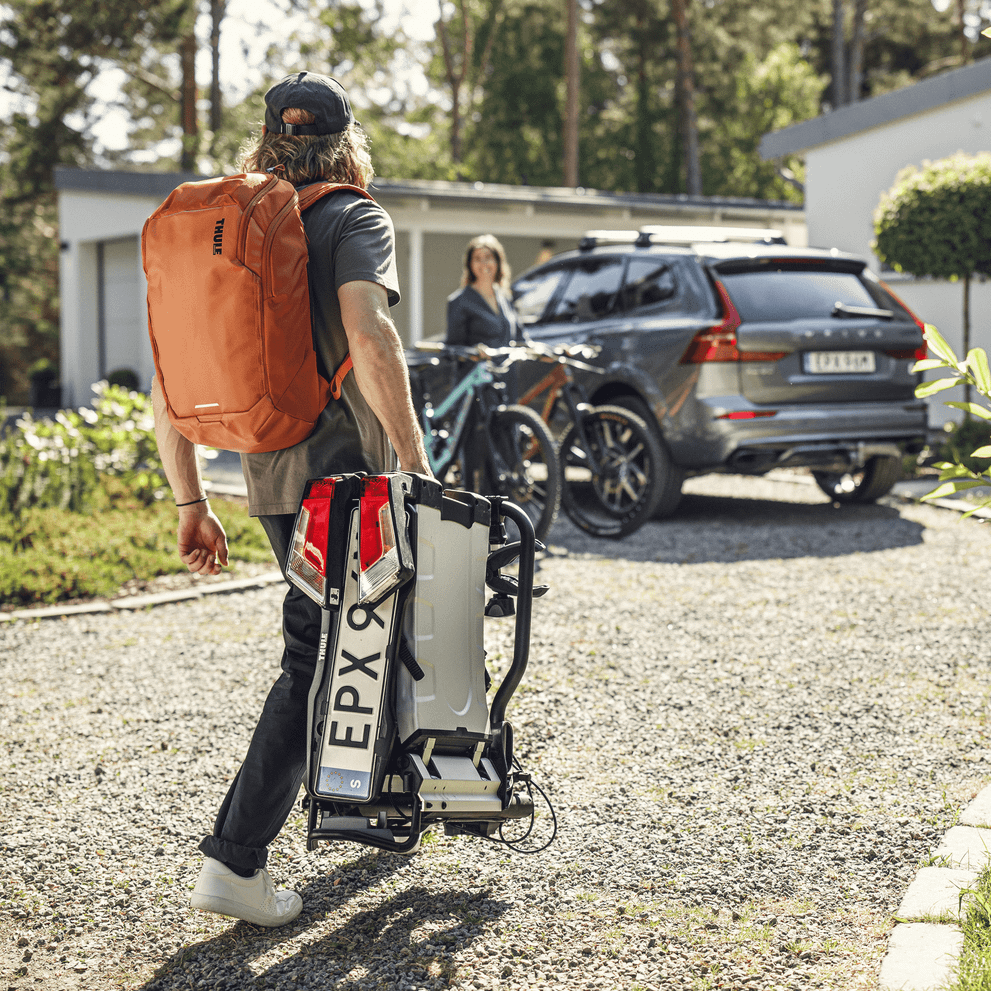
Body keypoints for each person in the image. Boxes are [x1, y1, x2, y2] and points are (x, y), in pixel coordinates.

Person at [151, 70, 432, 929]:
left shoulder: (230, 232)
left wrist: (188, 499)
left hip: (272, 479)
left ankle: (380, 795)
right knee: (316, 657)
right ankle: (235, 858)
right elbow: (368, 331)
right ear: (348, 145)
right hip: (346, 475)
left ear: (270, 142)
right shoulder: (353, 217)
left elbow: (171, 377)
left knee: (360, 632)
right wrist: (416, 460)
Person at [445, 234, 521, 348]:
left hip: (507, 365)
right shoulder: (459, 302)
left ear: (498, 262)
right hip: (479, 366)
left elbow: (520, 338)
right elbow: (453, 348)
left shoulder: (506, 298)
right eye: (477, 259)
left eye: (488, 257)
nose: (483, 263)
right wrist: (474, 351)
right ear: (470, 264)